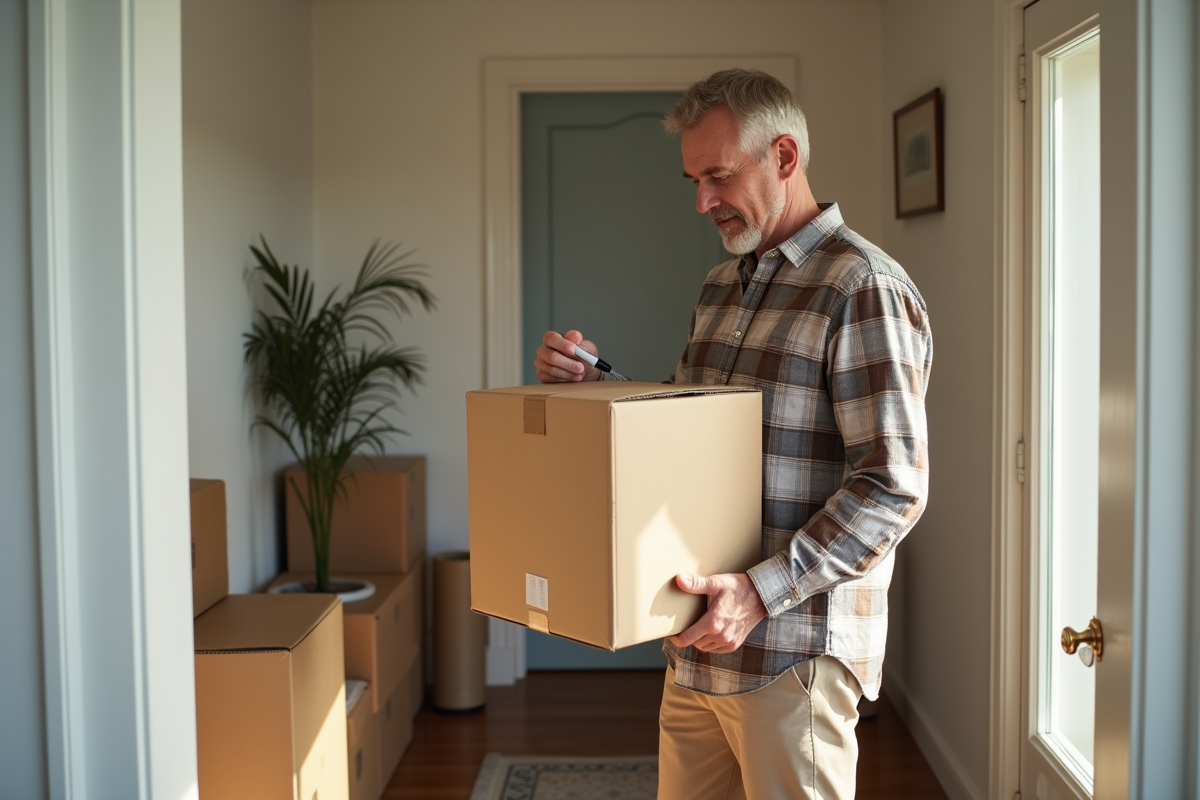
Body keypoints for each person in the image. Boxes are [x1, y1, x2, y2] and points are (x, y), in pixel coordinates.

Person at [534, 69, 932, 800]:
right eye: (693, 179)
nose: (701, 202)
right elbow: (692, 438)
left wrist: (756, 592)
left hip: (791, 653)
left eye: (716, 176)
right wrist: (598, 392)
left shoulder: (861, 287)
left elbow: (892, 489)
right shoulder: (722, 286)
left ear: (784, 157)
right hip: (699, 650)